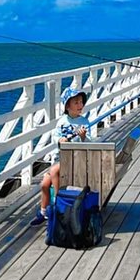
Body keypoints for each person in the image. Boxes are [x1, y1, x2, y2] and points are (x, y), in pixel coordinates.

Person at [30, 87, 91, 224]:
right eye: (76, 102)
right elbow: (55, 137)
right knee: (45, 184)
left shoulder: (84, 122)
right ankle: (43, 212)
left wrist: (83, 137)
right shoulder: (62, 121)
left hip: (76, 159)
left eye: (81, 102)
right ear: (67, 106)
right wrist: (60, 140)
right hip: (61, 158)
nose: (80, 105)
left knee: (53, 171)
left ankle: (59, 202)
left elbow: (90, 142)